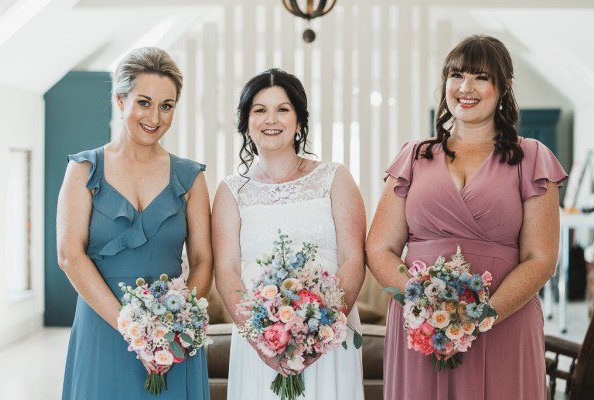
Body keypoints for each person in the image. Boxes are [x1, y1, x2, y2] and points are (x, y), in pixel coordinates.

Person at [366, 35, 568, 399]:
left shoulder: (532, 157)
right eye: (456, 75)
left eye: (481, 77)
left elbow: (541, 259)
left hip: (505, 322)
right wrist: (422, 305)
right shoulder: (413, 157)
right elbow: (380, 247)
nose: (465, 87)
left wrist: (481, 317)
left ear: (503, 88)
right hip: (421, 328)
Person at [57, 47, 213, 399]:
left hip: (173, 337)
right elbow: (69, 255)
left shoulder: (191, 177)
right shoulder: (83, 169)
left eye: (166, 106)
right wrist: (134, 332)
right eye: (144, 102)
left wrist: (175, 330)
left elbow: (204, 261)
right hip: (103, 327)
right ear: (120, 100)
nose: (154, 117)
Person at [212, 68, 366, 399]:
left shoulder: (334, 178)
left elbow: (354, 258)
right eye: (260, 110)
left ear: (299, 120)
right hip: (260, 339)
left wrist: (321, 331)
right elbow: (225, 270)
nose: (272, 119)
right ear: (246, 122)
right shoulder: (230, 191)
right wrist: (259, 339)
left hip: (328, 333)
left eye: (283, 109)